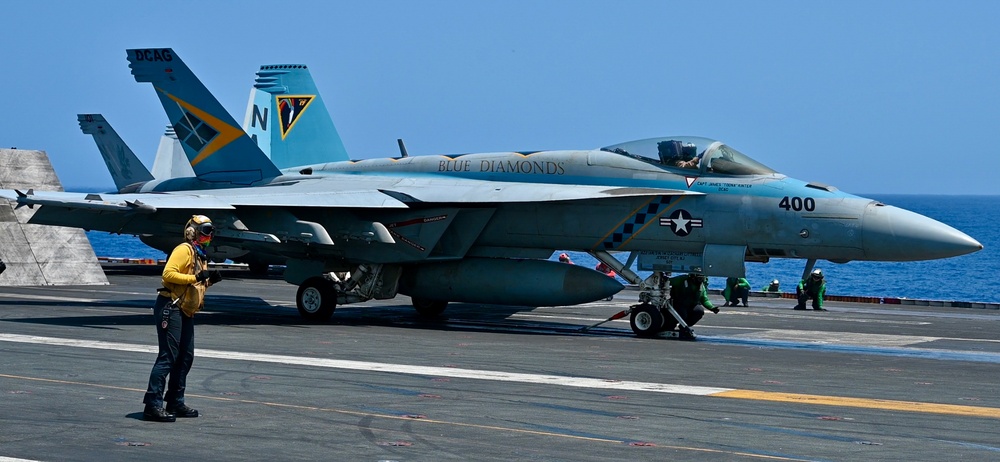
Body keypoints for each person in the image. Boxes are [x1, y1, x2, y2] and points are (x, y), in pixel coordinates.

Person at [142, 215, 221, 422]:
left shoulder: (200, 254)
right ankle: (152, 405)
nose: (209, 234)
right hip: (171, 306)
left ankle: (175, 401)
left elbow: (194, 284)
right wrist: (195, 277)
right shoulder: (184, 250)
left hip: (186, 309)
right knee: (168, 356)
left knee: (186, 357)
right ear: (193, 231)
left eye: (211, 230)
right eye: (205, 230)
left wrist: (209, 281)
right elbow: (168, 274)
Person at [667, 273, 719, 340]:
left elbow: (704, 299)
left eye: (702, 279)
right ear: (693, 277)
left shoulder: (701, 286)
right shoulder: (682, 279)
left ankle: (683, 327)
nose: (700, 280)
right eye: (699, 278)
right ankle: (669, 326)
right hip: (677, 303)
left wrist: (712, 308)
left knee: (699, 311)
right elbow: (668, 281)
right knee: (683, 314)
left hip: (691, 305)